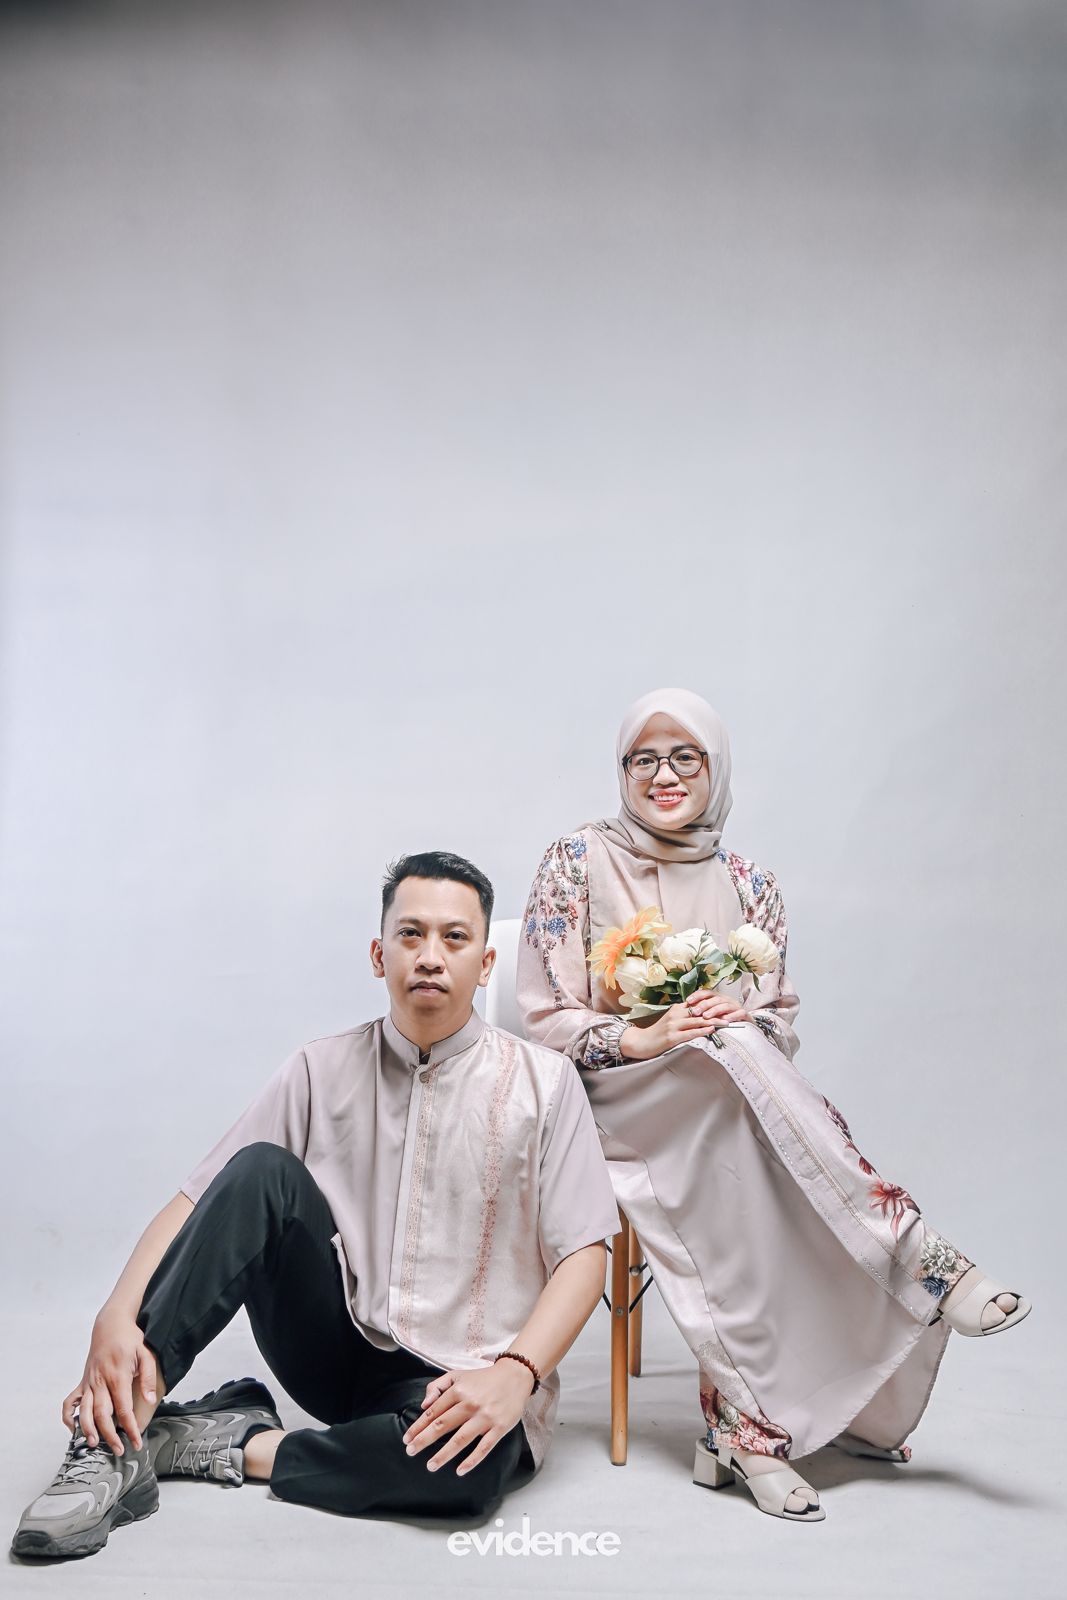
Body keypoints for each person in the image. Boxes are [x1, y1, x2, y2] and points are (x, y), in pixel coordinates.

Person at [13, 850, 621, 1561]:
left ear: (485, 965)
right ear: (379, 954)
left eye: (454, 938)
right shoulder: (318, 1067)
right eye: (410, 934)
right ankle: (112, 1440)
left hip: (461, 1373)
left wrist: (515, 1373)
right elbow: (200, 1200)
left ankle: (217, 1442)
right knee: (260, 1169)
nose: (430, 955)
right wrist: (116, 1313)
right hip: (335, 1349)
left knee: (469, 1470)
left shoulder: (546, 1085)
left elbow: (584, 1254)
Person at [516, 687, 1031, 1524]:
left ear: (715, 766)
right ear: (620, 769)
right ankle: (914, 1253)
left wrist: (729, 1021)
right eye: (642, 758)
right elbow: (545, 1018)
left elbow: (776, 1021)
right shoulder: (575, 860)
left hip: (726, 1098)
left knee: (732, 1106)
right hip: (614, 1094)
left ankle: (745, 1431)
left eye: (685, 756)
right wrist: (646, 1036)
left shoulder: (749, 883)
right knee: (742, 1107)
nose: (663, 775)